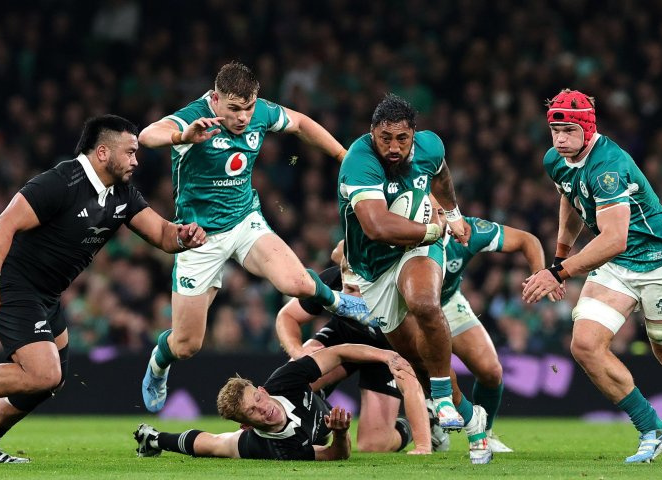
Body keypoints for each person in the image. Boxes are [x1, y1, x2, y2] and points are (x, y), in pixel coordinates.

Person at [0, 115, 207, 463]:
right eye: (129, 152)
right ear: (102, 152)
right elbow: (1, 226)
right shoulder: (61, 181)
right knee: (43, 373)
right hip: (14, 284)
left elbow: (162, 234)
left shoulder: (123, 194)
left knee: (51, 380)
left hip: (47, 296)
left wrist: (183, 236)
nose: (135, 160)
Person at [137, 61, 372, 414]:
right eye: (233, 109)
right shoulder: (195, 117)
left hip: (246, 221)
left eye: (248, 108)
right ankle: (159, 361)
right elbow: (147, 135)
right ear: (215, 99)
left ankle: (341, 303)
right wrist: (181, 136)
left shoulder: (260, 112)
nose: (243, 117)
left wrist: (343, 156)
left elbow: (301, 123)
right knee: (187, 344)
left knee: (295, 281)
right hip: (199, 237)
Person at [522, 89, 662, 463]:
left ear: (587, 129)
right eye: (555, 129)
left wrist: (559, 270)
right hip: (619, 267)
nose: (560, 138)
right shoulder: (556, 159)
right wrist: (561, 254)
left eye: (568, 130)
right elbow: (571, 198)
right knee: (585, 345)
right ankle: (652, 428)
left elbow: (614, 239)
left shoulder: (608, 167)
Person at [337, 94, 472, 434]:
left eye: (402, 138)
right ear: (372, 133)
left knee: (424, 303)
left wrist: (452, 215)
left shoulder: (430, 147)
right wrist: (431, 229)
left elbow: (441, 177)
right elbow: (377, 227)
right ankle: (472, 420)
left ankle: (441, 397)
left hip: (416, 249)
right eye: (385, 138)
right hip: (373, 266)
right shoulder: (360, 160)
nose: (393, 147)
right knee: (414, 355)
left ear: (414, 133)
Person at [133, 343, 430, 461]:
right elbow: (334, 457)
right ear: (246, 424)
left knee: (312, 352)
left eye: (258, 397)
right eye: (253, 411)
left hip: (314, 400)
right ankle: (155, 439)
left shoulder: (281, 382)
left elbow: (338, 353)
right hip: (300, 432)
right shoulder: (281, 447)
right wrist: (340, 434)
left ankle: (154, 439)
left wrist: (386, 356)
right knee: (217, 445)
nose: (264, 407)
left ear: (262, 388)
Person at [274, 242, 430, 455]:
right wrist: (297, 352)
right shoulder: (333, 281)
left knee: (373, 445)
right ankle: (296, 426)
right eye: (347, 289)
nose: (348, 298)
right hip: (342, 338)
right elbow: (287, 316)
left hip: (388, 352)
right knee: (296, 371)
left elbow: (411, 383)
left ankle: (426, 421)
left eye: (357, 290)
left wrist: (423, 445)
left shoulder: (397, 295)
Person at [437, 212, 547, 454]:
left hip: (447, 302)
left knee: (491, 371)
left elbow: (527, 240)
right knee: (430, 374)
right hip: (406, 311)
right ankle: (430, 425)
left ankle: (484, 434)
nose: (435, 216)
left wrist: (540, 275)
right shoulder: (402, 232)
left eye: (441, 211)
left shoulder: (468, 230)